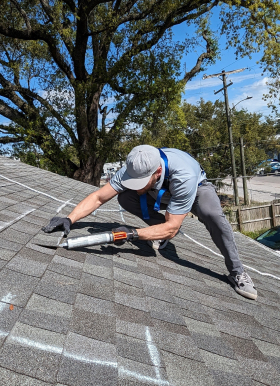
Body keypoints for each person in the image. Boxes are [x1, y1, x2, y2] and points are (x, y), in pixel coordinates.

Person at [42, 145, 257, 300]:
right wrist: (69, 218)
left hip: (196, 189)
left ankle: (237, 271)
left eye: (139, 182)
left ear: (157, 172)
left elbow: (172, 229)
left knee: (212, 214)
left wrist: (131, 234)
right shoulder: (134, 167)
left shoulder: (184, 176)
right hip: (161, 192)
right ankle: (156, 229)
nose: (135, 185)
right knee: (125, 196)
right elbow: (99, 197)